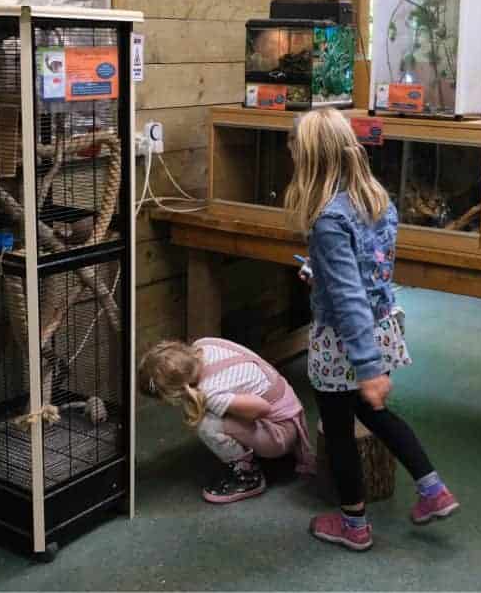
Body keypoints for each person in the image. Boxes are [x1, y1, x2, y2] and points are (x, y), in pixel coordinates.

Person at [285, 108, 459, 552]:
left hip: (345, 340)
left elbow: (347, 298)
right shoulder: (377, 199)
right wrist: (319, 273)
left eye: (295, 150)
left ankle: (353, 525)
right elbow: (368, 273)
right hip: (380, 326)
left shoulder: (328, 219)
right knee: (375, 415)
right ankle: (432, 488)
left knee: (338, 429)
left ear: (312, 160)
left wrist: (365, 367)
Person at [139, 338, 314, 503]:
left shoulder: (210, 392)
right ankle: (251, 450)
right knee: (213, 410)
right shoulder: (204, 344)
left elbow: (263, 408)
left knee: (205, 424)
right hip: (289, 406)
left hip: (281, 432)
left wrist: (211, 403)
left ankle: (248, 477)